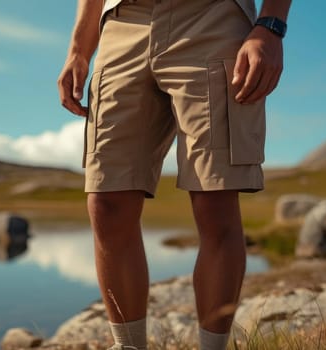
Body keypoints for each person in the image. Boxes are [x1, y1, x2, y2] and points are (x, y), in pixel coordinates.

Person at [58, 0, 291, 349]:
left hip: (212, 17)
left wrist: (271, 26)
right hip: (123, 22)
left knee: (215, 203)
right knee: (106, 203)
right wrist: (78, 49)